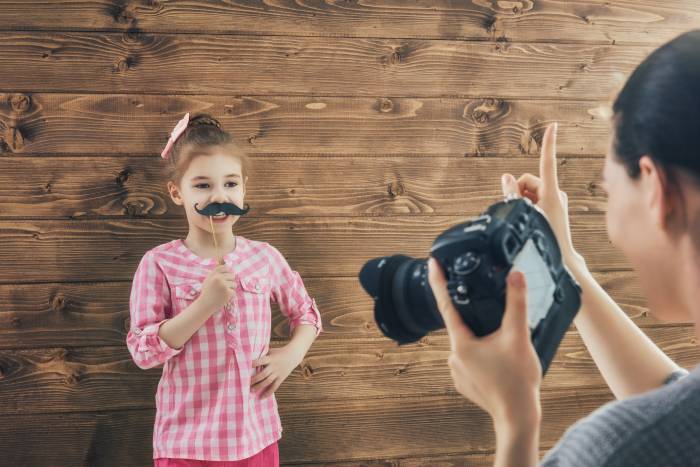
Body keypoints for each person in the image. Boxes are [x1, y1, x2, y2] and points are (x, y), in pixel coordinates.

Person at [427, 29, 700, 467]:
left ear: (655, 189)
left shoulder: (609, 450)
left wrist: (513, 422)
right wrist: (565, 263)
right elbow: (680, 402)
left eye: (610, 191)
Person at [126, 113, 323, 466]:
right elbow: (143, 351)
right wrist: (205, 304)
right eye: (202, 186)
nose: (220, 196)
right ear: (176, 192)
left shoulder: (264, 257)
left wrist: (292, 355)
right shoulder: (159, 264)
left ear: (244, 187)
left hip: (256, 435)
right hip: (186, 444)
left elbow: (306, 313)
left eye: (230, 184)